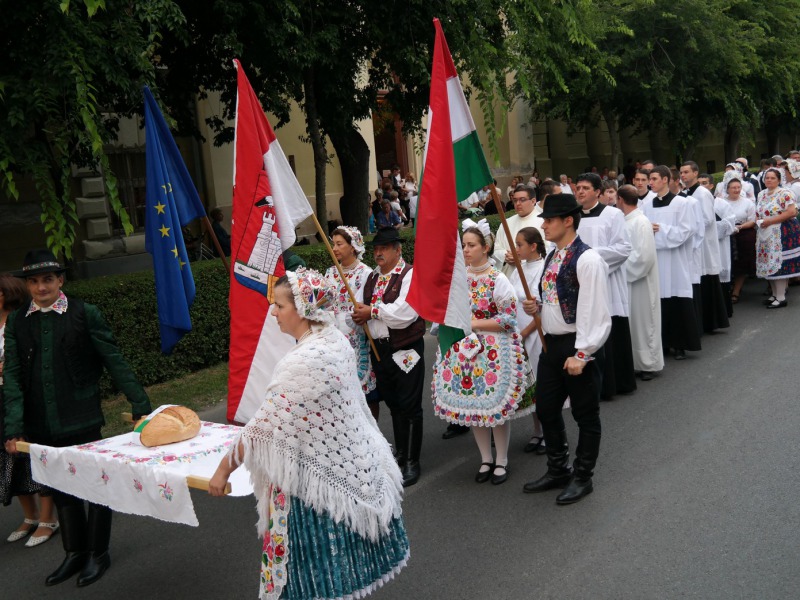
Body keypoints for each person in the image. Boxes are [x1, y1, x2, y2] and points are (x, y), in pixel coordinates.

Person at [208, 268, 409, 599]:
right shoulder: (335, 340)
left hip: (313, 483)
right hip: (337, 463)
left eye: (279, 306)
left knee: (315, 576)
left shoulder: (304, 360)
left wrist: (222, 470)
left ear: (302, 309)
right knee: (341, 568)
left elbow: (262, 427)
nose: (273, 312)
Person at [3, 249, 151, 587]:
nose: (41, 287)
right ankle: (75, 553)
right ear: (28, 285)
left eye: (47, 279)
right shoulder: (17, 321)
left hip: (81, 417)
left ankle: (98, 553)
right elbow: (11, 375)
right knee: (60, 486)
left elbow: (113, 360)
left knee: (95, 484)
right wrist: (13, 427)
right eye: (34, 281)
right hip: (41, 422)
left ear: (60, 280)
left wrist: (141, 404)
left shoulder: (85, 313)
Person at [521, 194, 611, 505]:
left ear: (568, 221)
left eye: (548, 220)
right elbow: (559, 298)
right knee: (546, 409)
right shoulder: (553, 256)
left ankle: (583, 476)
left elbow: (594, 310)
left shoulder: (588, 259)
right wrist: (538, 305)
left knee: (586, 414)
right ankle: (558, 469)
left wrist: (583, 354)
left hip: (578, 346)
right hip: (553, 344)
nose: (542, 225)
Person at [432, 222, 532, 486]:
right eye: (463, 245)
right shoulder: (459, 280)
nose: (465, 249)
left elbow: (509, 319)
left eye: (471, 245)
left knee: (494, 407)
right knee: (474, 405)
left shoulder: (498, 279)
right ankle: (485, 458)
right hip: (464, 352)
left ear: (486, 248)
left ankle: (502, 459)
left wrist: (473, 323)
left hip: (493, 350)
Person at [352, 228, 426, 487]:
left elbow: (404, 313)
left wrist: (371, 312)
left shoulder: (410, 274)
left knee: (409, 404)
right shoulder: (372, 277)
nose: (378, 253)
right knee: (393, 403)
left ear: (398, 249)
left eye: (384, 248)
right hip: (380, 349)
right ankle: (401, 454)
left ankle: (412, 462)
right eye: (375, 249)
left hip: (406, 348)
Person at [0, 273, 58, 548]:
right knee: (11, 457)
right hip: (2, 402)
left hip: (25, 398)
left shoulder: (22, 321)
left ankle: (48, 518)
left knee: (35, 454)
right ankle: (30, 515)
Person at [574, 173, 636, 399]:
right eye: (578, 188)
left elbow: (623, 249)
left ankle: (615, 384)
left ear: (598, 192)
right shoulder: (572, 217)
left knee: (609, 327)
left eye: (585, 188)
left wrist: (589, 257)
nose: (580, 191)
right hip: (580, 283)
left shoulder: (613, 215)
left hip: (608, 281)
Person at [641, 166, 701, 359]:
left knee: (677, 299)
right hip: (656, 259)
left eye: (654, 178)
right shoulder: (647, 206)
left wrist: (662, 230)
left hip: (675, 259)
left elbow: (687, 231)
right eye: (650, 179)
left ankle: (681, 344)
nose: (651, 182)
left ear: (666, 180)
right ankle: (664, 343)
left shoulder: (681, 203)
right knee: (658, 300)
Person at [325, 227, 377, 414]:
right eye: (333, 244)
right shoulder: (330, 272)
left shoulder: (366, 273)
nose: (335, 248)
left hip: (357, 339)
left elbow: (367, 305)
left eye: (339, 244)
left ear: (353, 247)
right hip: (334, 340)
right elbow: (326, 302)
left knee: (365, 394)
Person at [508, 227, 548, 454]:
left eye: (520, 244)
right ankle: (538, 431)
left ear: (533, 246)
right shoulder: (519, 269)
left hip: (535, 334)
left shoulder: (543, 269)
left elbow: (543, 310)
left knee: (542, 384)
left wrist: (526, 332)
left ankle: (549, 433)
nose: (516, 248)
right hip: (519, 334)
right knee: (530, 386)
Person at [617, 185, 663, 381]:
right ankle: (635, 362)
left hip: (641, 282)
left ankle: (648, 364)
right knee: (632, 324)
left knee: (644, 323)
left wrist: (619, 269)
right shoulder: (625, 221)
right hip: (628, 281)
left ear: (620, 199)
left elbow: (643, 257)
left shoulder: (641, 222)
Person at [681, 161, 729, 334]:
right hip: (695, 243)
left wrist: (688, 227)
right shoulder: (686, 193)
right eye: (681, 172)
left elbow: (708, 219)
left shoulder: (702, 193)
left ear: (695, 173)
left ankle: (713, 321)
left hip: (705, 244)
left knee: (708, 280)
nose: (683, 175)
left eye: (686, 172)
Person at [755, 168, 800, 308]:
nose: (769, 180)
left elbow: (792, 212)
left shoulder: (784, 193)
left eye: (772, 178)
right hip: (765, 232)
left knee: (778, 263)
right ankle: (774, 294)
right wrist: (760, 220)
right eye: (767, 178)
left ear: (779, 180)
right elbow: (758, 211)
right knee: (768, 262)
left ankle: (781, 297)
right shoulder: (762, 194)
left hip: (782, 231)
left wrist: (771, 221)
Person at [492, 184, 546, 278]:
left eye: (522, 200)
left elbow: (547, 250)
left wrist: (521, 258)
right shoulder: (506, 223)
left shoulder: (543, 222)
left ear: (533, 201)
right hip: (509, 275)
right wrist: (506, 255)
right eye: (515, 200)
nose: (518, 203)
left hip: (533, 276)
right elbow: (496, 249)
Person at [726, 179, 757, 304]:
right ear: (727, 189)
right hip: (727, 234)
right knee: (729, 263)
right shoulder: (722, 202)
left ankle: (736, 291)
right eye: (733, 187)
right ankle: (728, 286)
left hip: (743, 233)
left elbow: (752, 220)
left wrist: (739, 227)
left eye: (738, 187)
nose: (736, 190)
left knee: (742, 263)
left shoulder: (747, 203)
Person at [715, 195, 737, 317]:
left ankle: (724, 311)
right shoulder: (691, 200)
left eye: (705, 183)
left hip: (719, 244)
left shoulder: (721, 203)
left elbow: (730, 221)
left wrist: (710, 228)